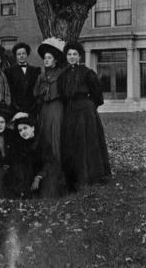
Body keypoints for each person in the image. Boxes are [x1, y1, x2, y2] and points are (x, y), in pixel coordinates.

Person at [58, 41, 111, 192]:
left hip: (85, 111)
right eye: (69, 54)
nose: (72, 57)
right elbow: (62, 94)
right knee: (72, 141)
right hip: (70, 111)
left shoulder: (88, 73)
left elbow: (98, 97)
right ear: (66, 56)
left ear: (79, 56)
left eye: (75, 54)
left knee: (86, 141)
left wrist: (87, 106)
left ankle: (91, 175)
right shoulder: (63, 74)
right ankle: (74, 176)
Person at [8, 115, 60, 199]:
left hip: (43, 175)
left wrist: (38, 177)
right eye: (20, 130)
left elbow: (49, 163)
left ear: (33, 128)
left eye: (25, 128)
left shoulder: (43, 143)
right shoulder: (20, 145)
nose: (23, 132)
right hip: (27, 177)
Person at [34, 37, 65, 169]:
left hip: (57, 107)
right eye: (45, 58)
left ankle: (57, 165)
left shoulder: (61, 73)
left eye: (49, 58)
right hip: (44, 108)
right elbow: (35, 92)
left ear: (55, 60)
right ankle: (45, 165)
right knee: (44, 133)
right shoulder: (41, 75)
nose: (46, 60)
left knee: (55, 133)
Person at [5, 42, 41, 115]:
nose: (21, 56)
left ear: (27, 54)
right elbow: (9, 90)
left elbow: (37, 88)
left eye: (23, 53)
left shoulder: (35, 70)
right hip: (15, 108)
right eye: (19, 54)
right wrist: (15, 106)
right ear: (15, 56)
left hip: (32, 108)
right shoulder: (9, 71)